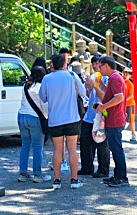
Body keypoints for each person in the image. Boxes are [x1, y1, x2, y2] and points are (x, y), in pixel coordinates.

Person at [38, 52, 86, 189]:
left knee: (57, 149)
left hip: (55, 119)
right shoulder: (71, 76)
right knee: (72, 149)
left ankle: (57, 180)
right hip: (72, 117)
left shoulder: (47, 78)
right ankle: (74, 179)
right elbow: (83, 92)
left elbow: (43, 98)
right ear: (65, 64)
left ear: (52, 64)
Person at [96, 57, 131, 186]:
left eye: (100, 66)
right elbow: (113, 95)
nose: (99, 69)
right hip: (115, 118)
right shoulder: (115, 77)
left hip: (115, 119)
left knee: (116, 149)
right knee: (115, 148)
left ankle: (122, 177)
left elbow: (119, 97)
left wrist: (103, 106)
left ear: (106, 66)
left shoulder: (115, 78)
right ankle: (117, 175)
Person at [18, 63, 48, 183]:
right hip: (34, 118)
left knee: (25, 146)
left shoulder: (26, 86)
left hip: (21, 116)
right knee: (37, 147)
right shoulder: (40, 88)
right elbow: (44, 106)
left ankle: (23, 173)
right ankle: (37, 174)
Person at [80, 62, 110, 179]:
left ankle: (103, 169)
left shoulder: (107, 79)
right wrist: (88, 87)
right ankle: (86, 167)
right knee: (85, 143)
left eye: (98, 65)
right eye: (94, 65)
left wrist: (97, 85)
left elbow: (105, 97)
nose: (95, 67)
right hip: (89, 115)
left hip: (101, 116)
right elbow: (88, 96)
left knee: (101, 143)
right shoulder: (92, 77)